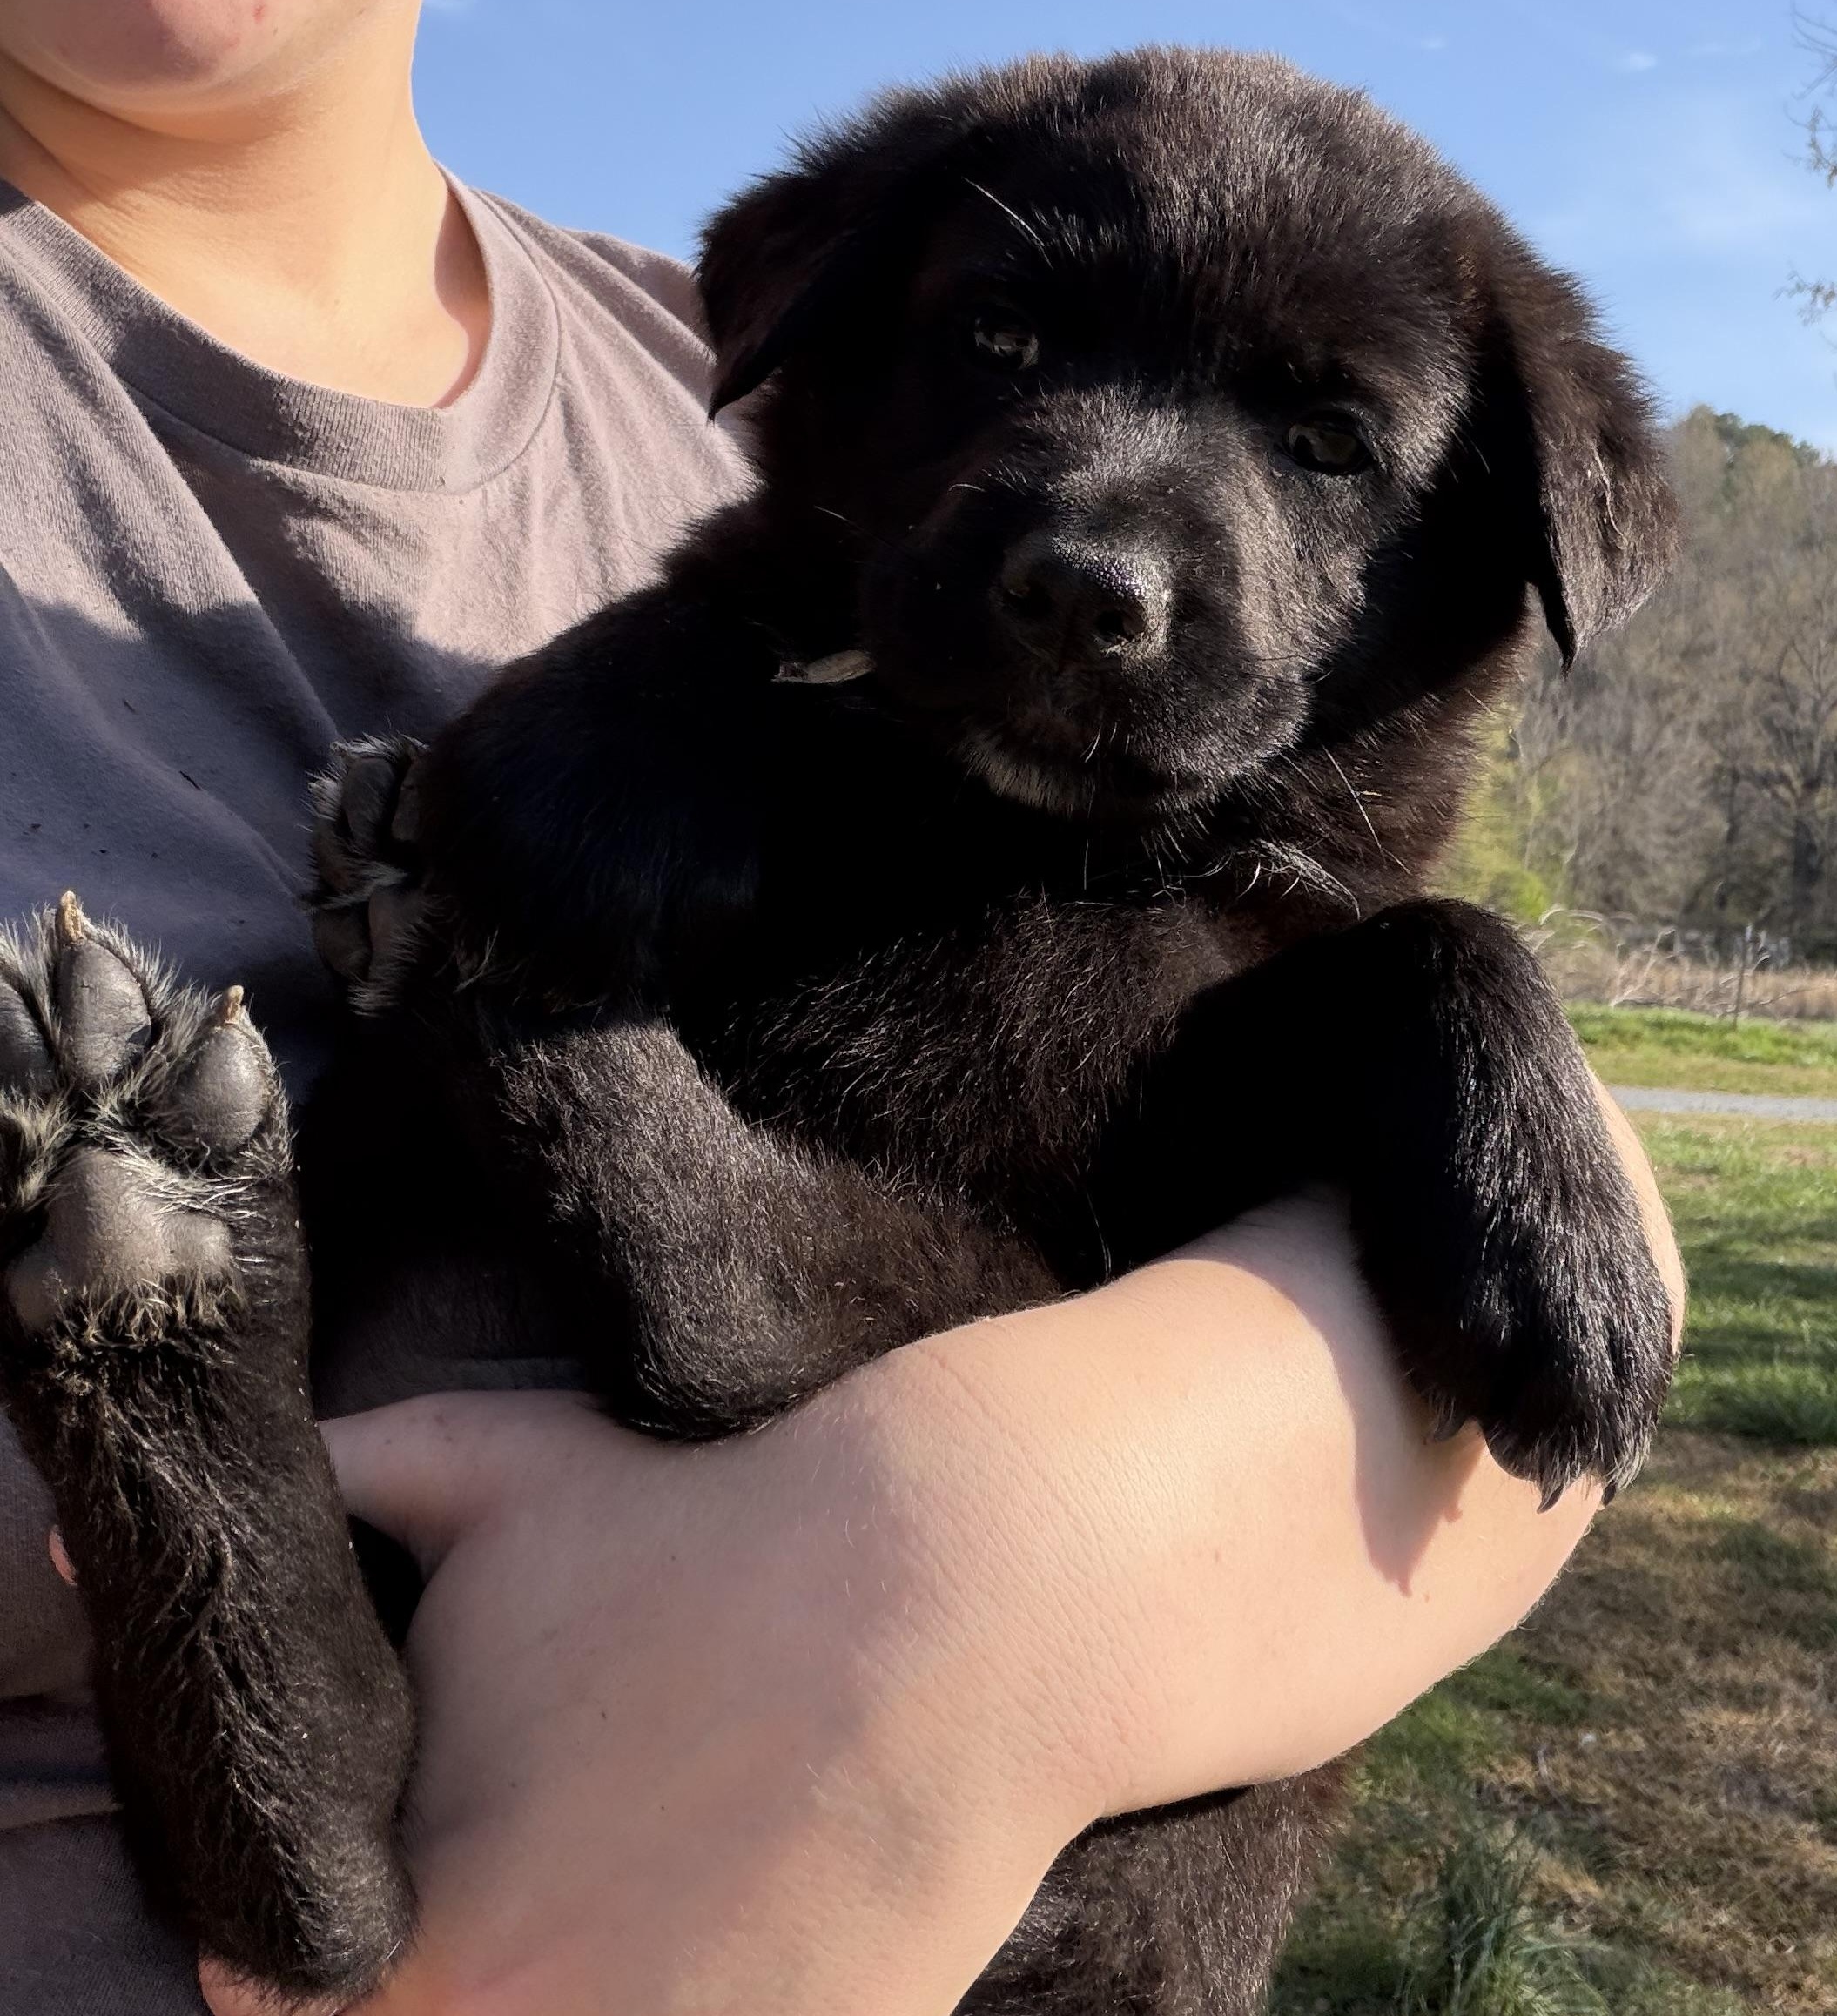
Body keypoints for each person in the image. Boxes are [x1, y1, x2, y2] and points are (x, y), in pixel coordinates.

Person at [0, 3, 1686, 2012]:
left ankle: (557, 1135)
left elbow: (1557, 1370)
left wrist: (950, 1583)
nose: (1101, 546)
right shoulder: (750, 593)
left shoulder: (637, 358)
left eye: (1324, 447)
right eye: (1003, 345)